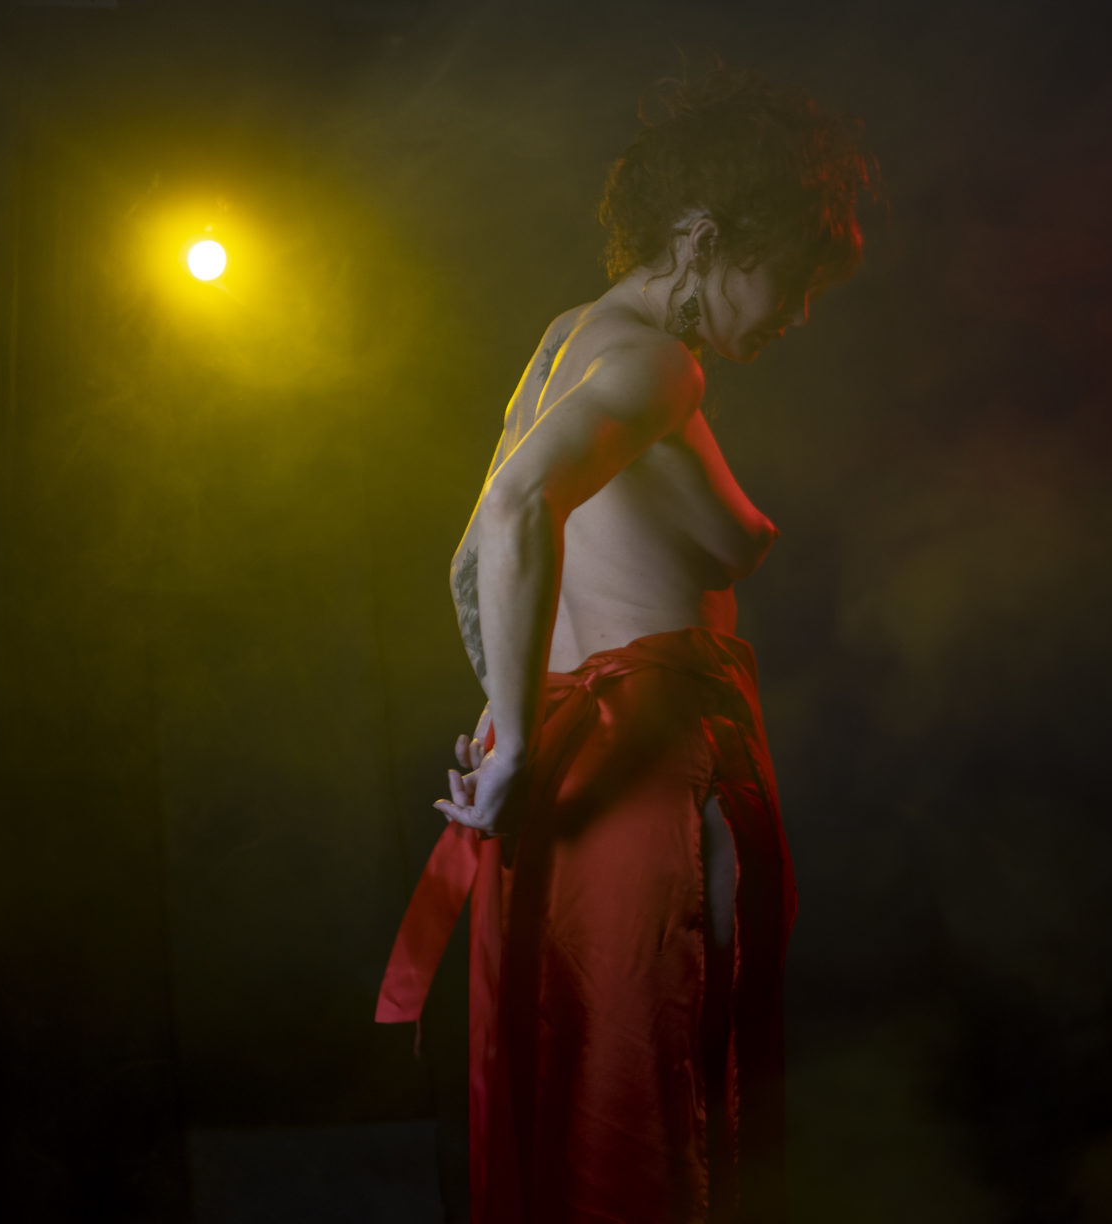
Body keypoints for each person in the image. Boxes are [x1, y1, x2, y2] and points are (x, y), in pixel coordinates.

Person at [376, 60, 875, 1223]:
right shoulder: (658, 363)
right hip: (650, 765)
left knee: (585, 1100)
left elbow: (473, 553)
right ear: (702, 239)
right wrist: (509, 743)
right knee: (666, 1108)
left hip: (575, 763)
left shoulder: (571, 342)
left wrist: (513, 716)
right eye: (791, 275)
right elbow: (515, 514)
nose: (798, 312)